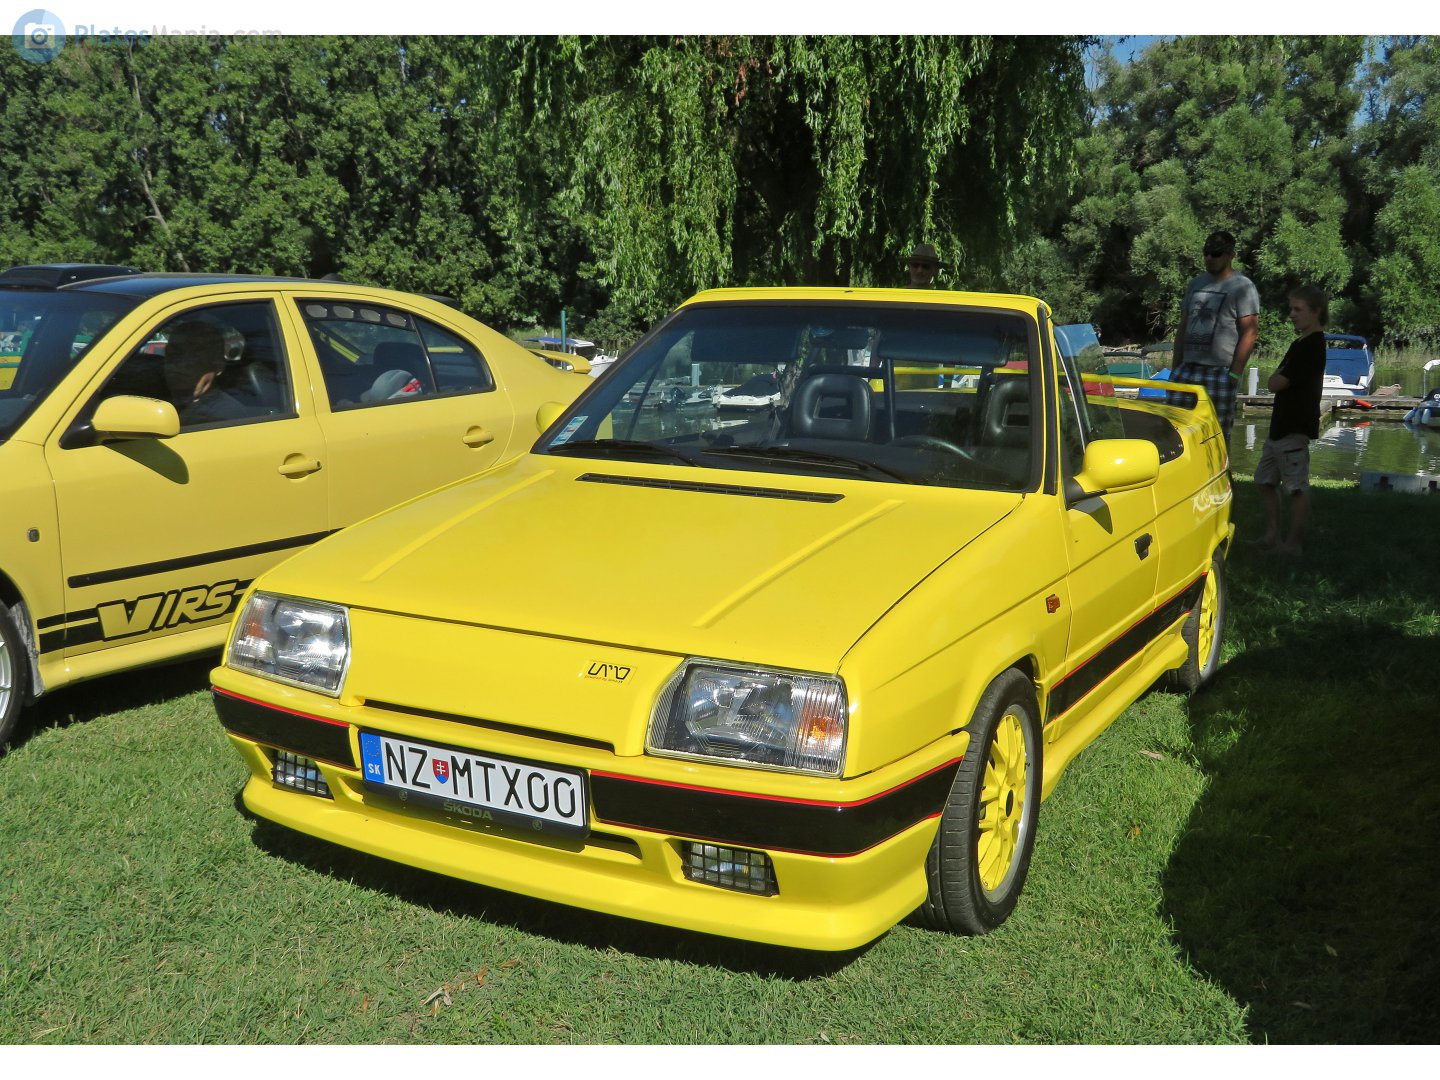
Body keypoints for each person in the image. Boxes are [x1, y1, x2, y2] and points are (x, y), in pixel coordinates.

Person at [1254, 285, 1327, 556]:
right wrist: (1276, 379)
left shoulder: (1312, 346)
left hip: (1295, 426)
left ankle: (1293, 545)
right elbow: (1278, 378)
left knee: (1296, 487)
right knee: (1263, 481)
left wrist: (1276, 379)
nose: (1292, 314)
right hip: (1279, 427)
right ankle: (1272, 536)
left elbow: (1277, 381)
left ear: (1316, 311)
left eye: (1298, 309)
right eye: (1291, 308)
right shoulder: (1299, 343)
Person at [1169, 230, 1260, 439]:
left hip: (1219, 372)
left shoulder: (1243, 287)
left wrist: (1234, 374)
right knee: (1176, 432)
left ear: (1230, 255)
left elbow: (1250, 331)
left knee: (1215, 437)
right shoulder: (1196, 283)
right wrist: (1176, 369)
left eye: (1216, 253)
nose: (1210, 257)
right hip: (1187, 370)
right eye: (1207, 252)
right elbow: (1183, 327)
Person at [162, 320, 247, 425]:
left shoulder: (227, 416)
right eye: (174, 353)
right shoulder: (155, 401)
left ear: (218, 365)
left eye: (194, 355)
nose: (181, 363)